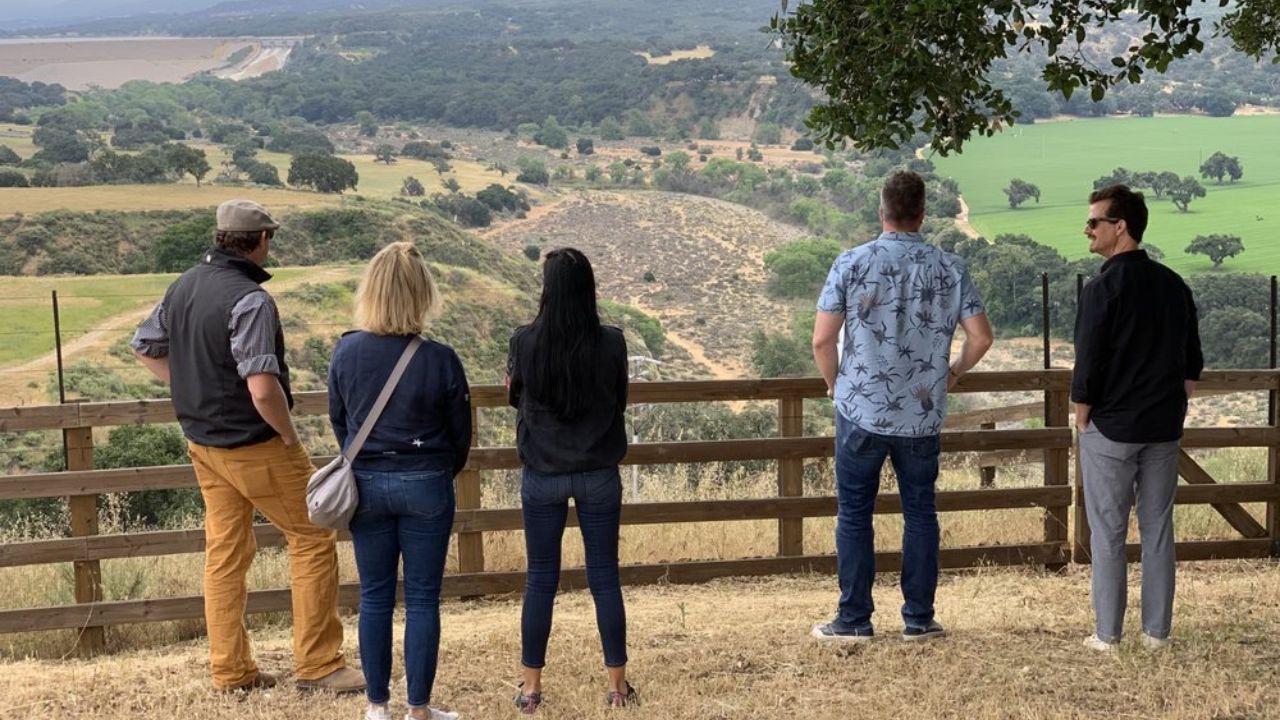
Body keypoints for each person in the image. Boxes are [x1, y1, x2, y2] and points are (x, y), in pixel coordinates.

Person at [131, 199, 363, 693]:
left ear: (220, 237)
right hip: (254, 442)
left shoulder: (184, 284)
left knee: (226, 552)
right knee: (313, 536)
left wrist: (188, 388)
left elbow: (144, 346)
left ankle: (231, 671)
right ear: (261, 240)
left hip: (203, 443)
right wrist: (288, 434)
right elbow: (261, 386)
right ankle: (320, 665)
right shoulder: (251, 299)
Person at [810, 171, 993, 644]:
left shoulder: (851, 262)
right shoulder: (950, 268)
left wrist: (836, 384)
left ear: (882, 211)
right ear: (922, 215)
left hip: (860, 411)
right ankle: (918, 618)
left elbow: (822, 339)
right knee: (920, 512)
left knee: (853, 513)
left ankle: (853, 619)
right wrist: (951, 374)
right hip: (922, 414)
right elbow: (981, 337)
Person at [328, 241, 471, 720]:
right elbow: (460, 437)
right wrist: (433, 469)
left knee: (374, 596)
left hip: (366, 482)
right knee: (424, 597)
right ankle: (419, 709)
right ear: (422, 292)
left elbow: (340, 422)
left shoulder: (346, 350)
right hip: (427, 480)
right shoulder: (441, 358)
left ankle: (376, 706)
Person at [1073, 184, 1203, 652]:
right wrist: (1172, 406)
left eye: (1094, 222)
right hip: (1163, 428)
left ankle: (1108, 635)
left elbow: (1087, 364)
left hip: (1110, 428)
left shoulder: (1101, 288)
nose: (1086, 229)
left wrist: (1083, 419)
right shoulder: (1174, 285)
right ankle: (1156, 634)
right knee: (1158, 532)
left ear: (1119, 227)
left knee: (1108, 534)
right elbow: (1192, 365)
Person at [506, 248, 636, 713]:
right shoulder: (612, 342)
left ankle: (531, 688)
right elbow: (619, 398)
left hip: (542, 472)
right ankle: (618, 686)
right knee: (605, 577)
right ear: (589, 288)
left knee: (540, 579)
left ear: (547, 290)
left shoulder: (524, 342)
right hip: (599, 471)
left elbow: (513, 396)